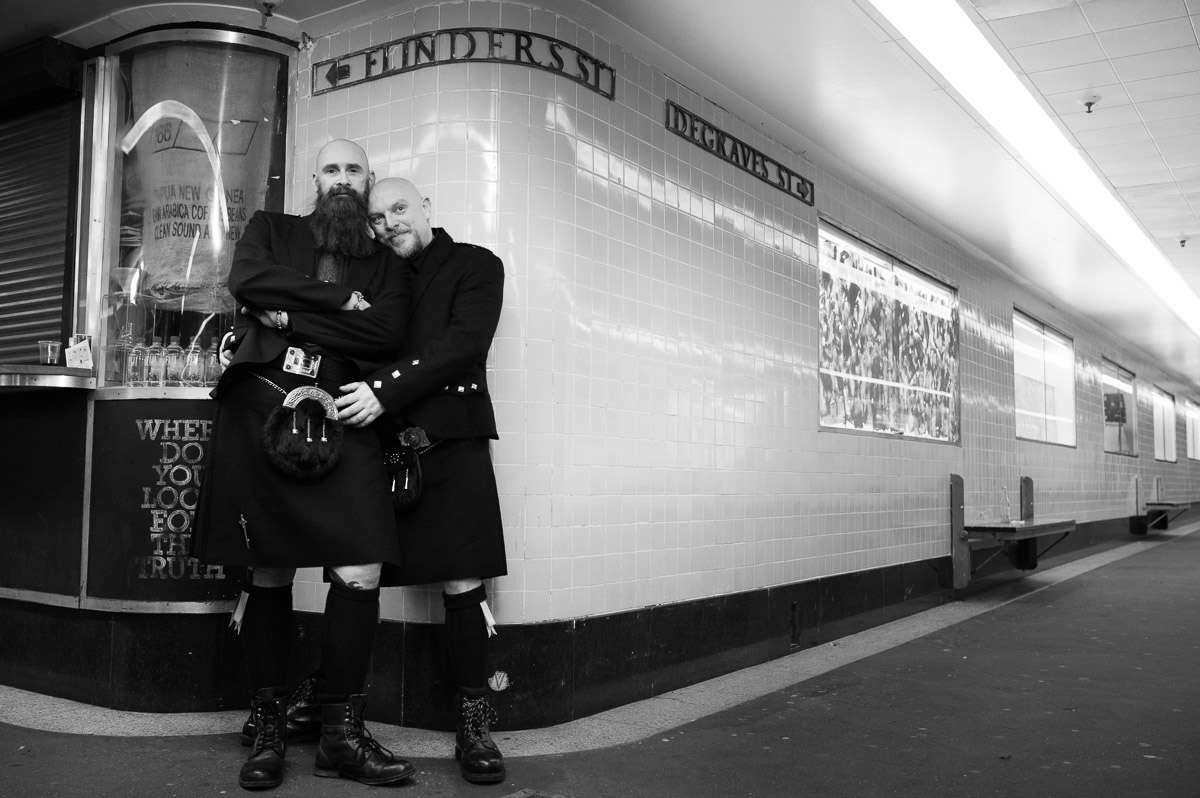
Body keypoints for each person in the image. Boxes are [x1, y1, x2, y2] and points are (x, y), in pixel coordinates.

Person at [194, 139, 415, 791]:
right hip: (260, 404)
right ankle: (268, 729)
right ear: (314, 180)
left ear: (368, 180)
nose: (343, 178)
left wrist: (293, 317)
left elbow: (387, 333)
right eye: (332, 169)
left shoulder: (383, 261)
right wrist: (336, 305)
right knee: (268, 565)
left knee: (362, 565)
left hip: (343, 412)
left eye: (354, 170)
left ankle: (341, 737)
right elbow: (246, 281)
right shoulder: (271, 228)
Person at [338, 177, 508, 784]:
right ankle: (340, 726)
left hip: (450, 446)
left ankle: (475, 728)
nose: (390, 224)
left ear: (427, 207)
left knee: (463, 583)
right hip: (380, 451)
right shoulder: (372, 278)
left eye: (400, 209)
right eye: (378, 218)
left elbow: (463, 344)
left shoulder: (476, 264)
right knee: (354, 577)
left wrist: (383, 389)